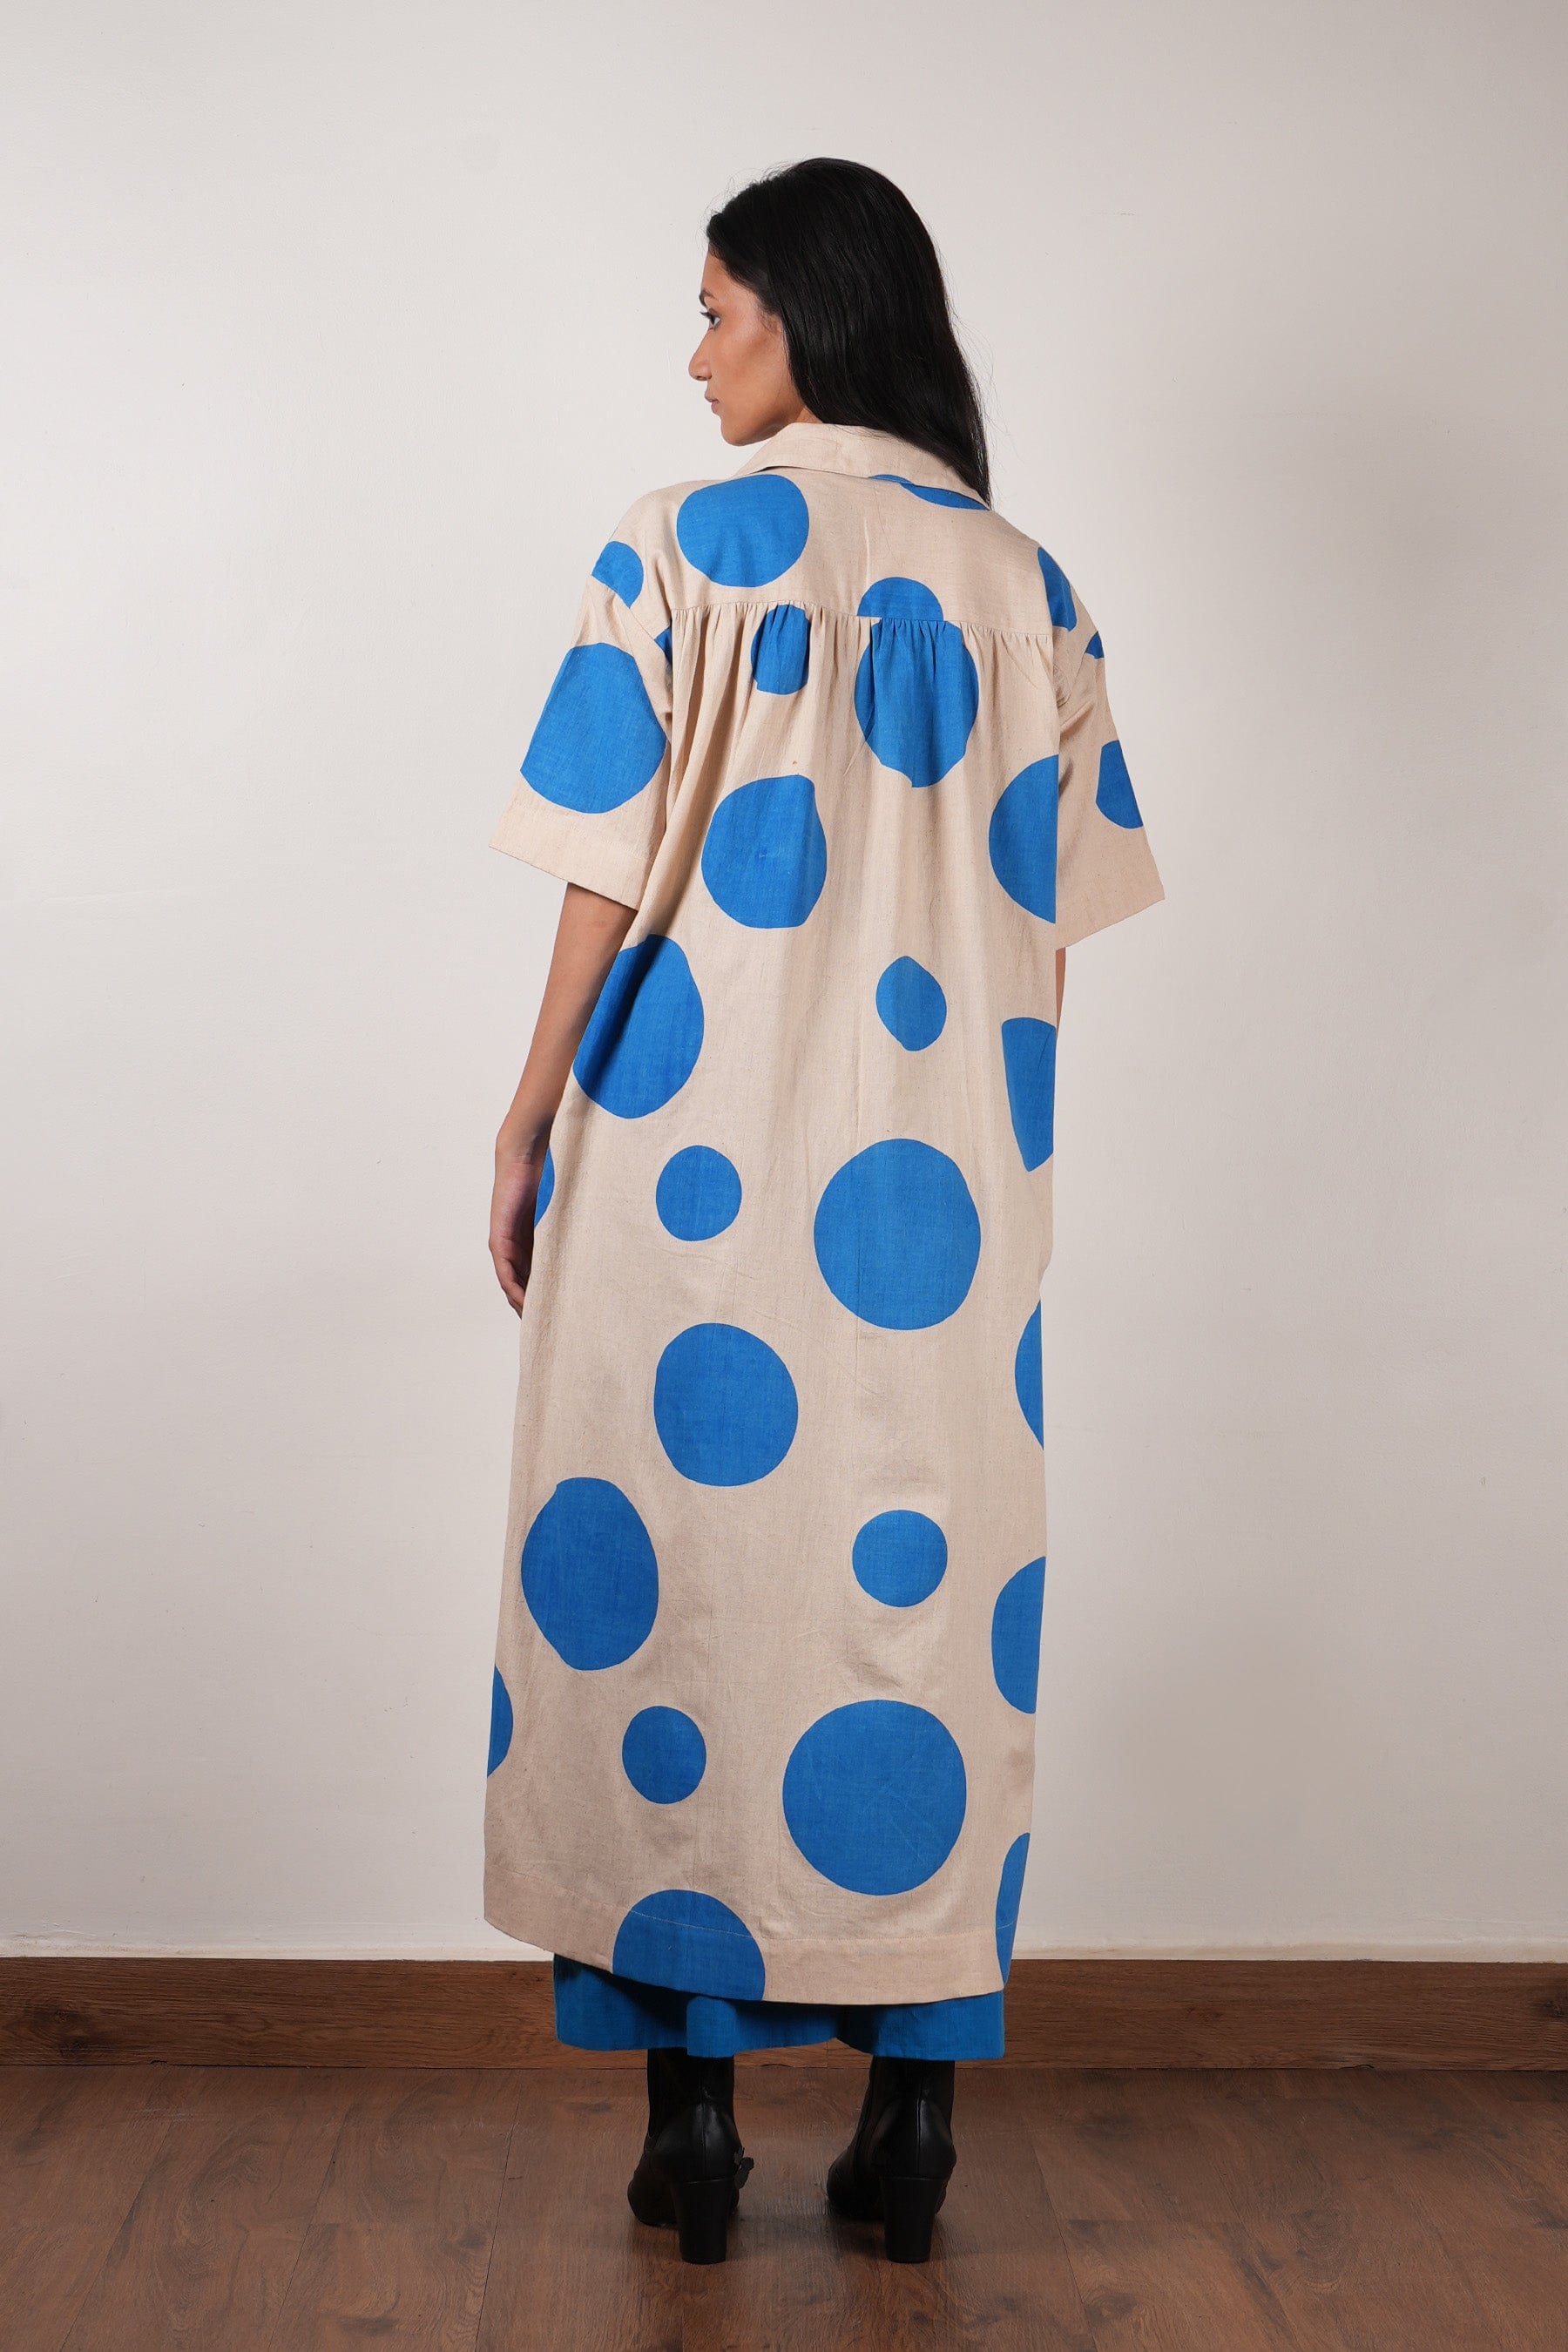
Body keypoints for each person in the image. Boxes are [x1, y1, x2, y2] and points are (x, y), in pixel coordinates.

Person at [483, 157, 1165, 2266]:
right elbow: (1054, 922)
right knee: (913, 1612)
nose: (695, 357)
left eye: (716, 310)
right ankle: (913, 2121)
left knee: (681, 1585)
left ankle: (694, 2123)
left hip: (677, 1161)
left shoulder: (675, 543)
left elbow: (603, 856)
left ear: (804, 309)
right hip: (938, 1196)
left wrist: (526, 1111)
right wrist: (993, 1147)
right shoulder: (1029, 584)